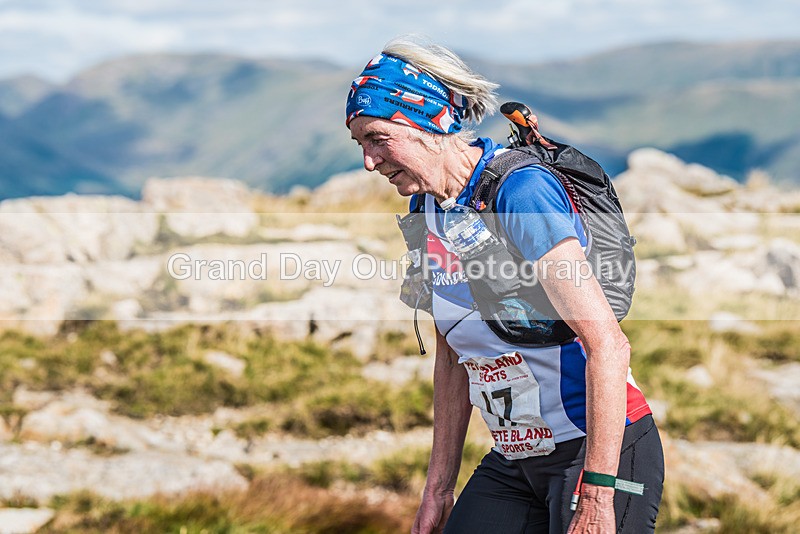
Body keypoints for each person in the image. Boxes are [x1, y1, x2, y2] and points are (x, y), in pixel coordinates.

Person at [345, 36, 664, 534]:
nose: (369, 161)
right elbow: (453, 355)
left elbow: (607, 344)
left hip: (598, 449)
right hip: (516, 456)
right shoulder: (428, 210)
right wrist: (437, 490)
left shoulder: (521, 192)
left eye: (377, 138)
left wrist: (598, 495)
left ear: (426, 123)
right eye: (360, 144)